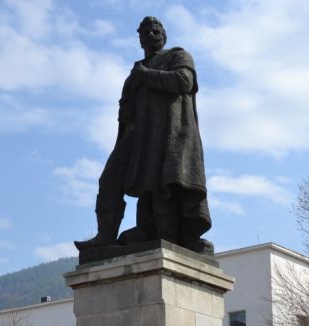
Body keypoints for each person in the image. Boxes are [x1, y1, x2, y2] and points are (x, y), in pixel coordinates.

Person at [74, 17, 212, 255]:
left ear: (164, 35)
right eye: (145, 33)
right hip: (134, 136)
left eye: (155, 31)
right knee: (109, 179)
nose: (150, 35)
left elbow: (183, 81)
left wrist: (146, 75)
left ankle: (163, 232)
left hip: (164, 136)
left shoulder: (177, 56)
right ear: (139, 40)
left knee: (160, 185)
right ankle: (105, 236)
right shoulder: (135, 71)